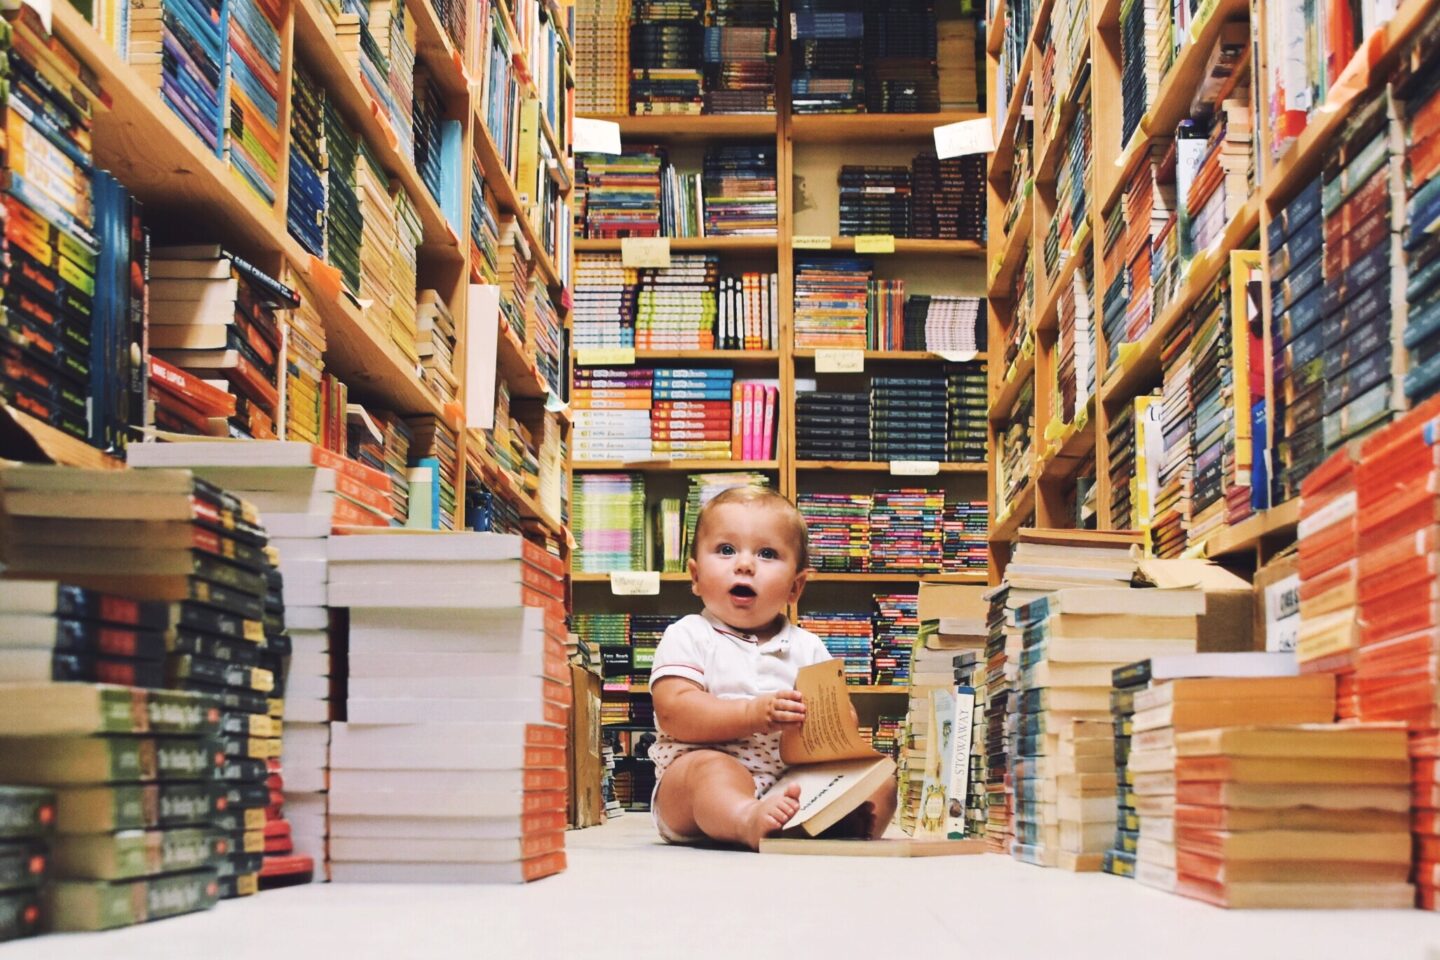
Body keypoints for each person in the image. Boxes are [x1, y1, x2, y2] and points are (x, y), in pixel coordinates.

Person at [647, 485, 899, 849]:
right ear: (695, 575)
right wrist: (753, 712)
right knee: (710, 771)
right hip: (695, 787)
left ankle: (827, 823)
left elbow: (841, 718)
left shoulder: (808, 646)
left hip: (789, 784)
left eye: (767, 553)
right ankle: (745, 818)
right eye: (726, 550)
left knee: (880, 779)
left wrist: (829, 721)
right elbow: (674, 711)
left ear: (795, 587)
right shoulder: (688, 635)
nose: (745, 564)